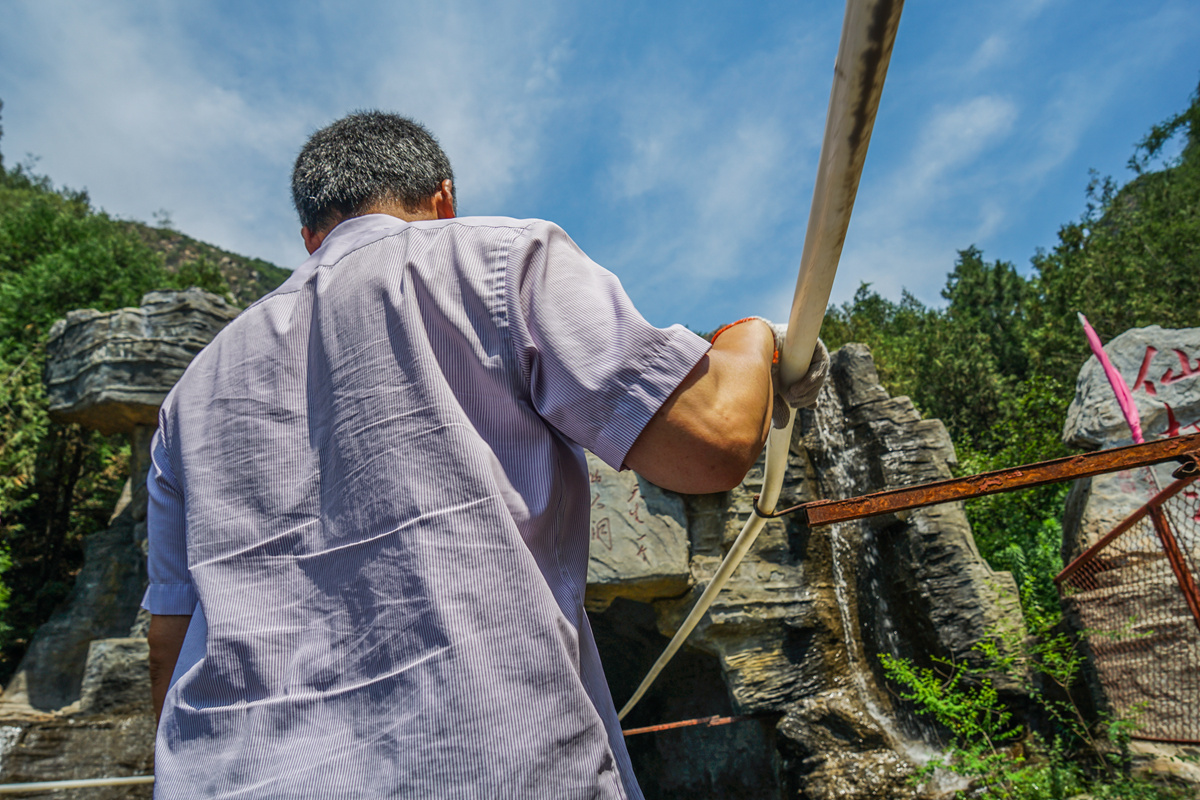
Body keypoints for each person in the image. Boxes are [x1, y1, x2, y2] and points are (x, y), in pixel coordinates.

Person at [143, 111, 827, 799]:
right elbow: (710, 442)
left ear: (308, 237)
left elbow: (170, 649)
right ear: (443, 200)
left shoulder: (191, 393)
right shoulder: (499, 259)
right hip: (486, 764)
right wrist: (750, 340)